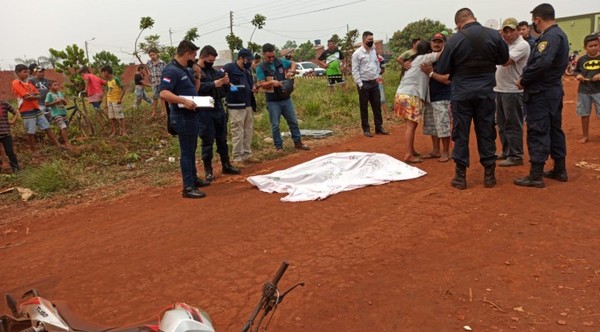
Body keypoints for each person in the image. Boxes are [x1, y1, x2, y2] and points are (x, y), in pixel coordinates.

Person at [436, 8, 509, 190]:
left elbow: (443, 68)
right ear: (474, 18)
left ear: (458, 23)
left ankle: (461, 177)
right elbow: (504, 59)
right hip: (485, 93)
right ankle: (489, 175)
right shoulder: (493, 35)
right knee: (486, 131)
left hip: (461, 94)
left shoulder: (453, 40)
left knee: (461, 134)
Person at [514, 3, 569, 188]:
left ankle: (535, 175)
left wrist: (524, 80)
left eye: (533, 21)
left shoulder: (550, 37)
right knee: (555, 129)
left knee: (538, 130)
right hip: (553, 90)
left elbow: (542, 63)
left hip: (541, 92)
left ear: (537, 19)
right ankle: (559, 169)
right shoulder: (560, 34)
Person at [159, 40, 210, 199]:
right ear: (187, 53)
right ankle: (187, 187)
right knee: (187, 152)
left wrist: (197, 76)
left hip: (192, 114)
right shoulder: (171, 70)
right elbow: (163, 93)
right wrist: (183, 101)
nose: (195, 58)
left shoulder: (185, 70)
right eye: (194, 54)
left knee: (191, 149)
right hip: (182, 116)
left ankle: (193, 179)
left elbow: (194, 91)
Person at [196, 45, 241, 182]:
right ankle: (208, 170)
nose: (212, 63)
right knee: (207, 141)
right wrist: (213, 84)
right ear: (202, 57)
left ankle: (226, 165)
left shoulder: (214, 71)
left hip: (218, 108)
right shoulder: (195, 72)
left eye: (214, 60)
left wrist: (226, 83)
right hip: (204, 110)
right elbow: (195, 89)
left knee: (222, 139)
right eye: (209, 60)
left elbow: (225, 90)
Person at [256, 43, 310, 151]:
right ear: (263, 55)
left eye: (273, 56)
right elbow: (261, 84)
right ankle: (279, 146)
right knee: (275, 125)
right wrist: (272, 83)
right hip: (272, 101)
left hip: (286, 98)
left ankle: (298, 142)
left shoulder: (280, 61)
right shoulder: (260, 68)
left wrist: (291, 71)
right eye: (269, 57)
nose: (271, 59)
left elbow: (293, 63)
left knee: (293, 121)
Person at [394, 41, 440, 163]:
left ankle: (411, 150)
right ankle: (408, 154)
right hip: (411, 95)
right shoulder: (424, 58)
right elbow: (440, 54)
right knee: (411, 126)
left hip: (402, 94)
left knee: (409, 125)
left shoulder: (414, 60)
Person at [494, 18, 530, 167]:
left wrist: (492, 49)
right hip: (499, 89)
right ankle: (507, 151)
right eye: (505, 31)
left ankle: (516, 155)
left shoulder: (522, 45)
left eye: (511, 30)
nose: (508, 34)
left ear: (517, 30)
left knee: (513, 124)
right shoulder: (504, 45)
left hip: (513, 90)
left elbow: (505, 61)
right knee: (502, 124)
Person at [11, 64, 62, 151]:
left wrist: (31, 95)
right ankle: (34, 151)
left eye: (27, 72)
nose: (26, 74)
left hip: (36, 108)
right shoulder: (16, 83)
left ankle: (58, 145)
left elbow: (37, 94)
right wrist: (32, 95)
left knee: (46, 126)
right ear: (17, 73)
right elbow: (26, 97)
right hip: (26, 110)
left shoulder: (29, 83)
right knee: (31, 131)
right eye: (24, 72)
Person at [420, 33, 452, 163]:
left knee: (443, 125)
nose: (437, 44)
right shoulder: (428, 58)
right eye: (434, 41)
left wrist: (431, 73)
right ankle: (435, 150)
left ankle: (445, 152)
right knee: (432, 125)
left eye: (440, 41)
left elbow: (447, 80)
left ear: (444, 43)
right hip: (429, 97)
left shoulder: (447, 59)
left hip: (443, 97)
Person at [351, 31, 389, 137]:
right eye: (369, 40)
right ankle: (366, 129)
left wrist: (377, 75)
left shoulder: (373, 50)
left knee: (377, 106)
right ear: (364, 40)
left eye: (372, 39)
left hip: (374, 82)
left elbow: (376, 63)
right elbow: (355, 70)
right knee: (364, 107)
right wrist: (360, 84)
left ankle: (379, 127)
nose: (371, 42)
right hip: (364, 83)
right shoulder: (357, 54)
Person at [223, 48, 257, 164]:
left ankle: (247, 154)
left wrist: (253, 88)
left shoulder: (247, 71)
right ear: (241, 58)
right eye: (248, 60)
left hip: (248, 105)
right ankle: (237, 157)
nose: (249, 62)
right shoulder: (229, 68)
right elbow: (219, 76)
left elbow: (250, 85)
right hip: (236, 105)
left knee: (248, 130)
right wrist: (230, 86)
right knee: (238, 131)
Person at [574, 34, 600, 144]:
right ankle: (585, 136)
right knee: (584, 114)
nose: (593, 48)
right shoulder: (581, 60)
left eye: (596, 45)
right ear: (585, 47)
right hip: (584, 90)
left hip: (598, 90)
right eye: (590, 46)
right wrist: (578, 76)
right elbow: (576, 71)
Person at [100, 66, 127, 137]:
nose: (102, 75)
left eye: (102, 73)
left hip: (116, 101)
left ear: (106, 72)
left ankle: (124, 132)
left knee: (120, 116)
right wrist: (106, 102)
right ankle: (115, 131)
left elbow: (123, 89)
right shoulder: (108, 82)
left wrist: (120, 99)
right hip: (110, 101)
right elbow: (108, 92)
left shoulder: (116, 79)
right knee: (112, 117)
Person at [44, 81, 71, 147]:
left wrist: (64, 101)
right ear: (50, 87)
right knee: (63, 127)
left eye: (58, 85)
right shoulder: (49, 94)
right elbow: (46, 104)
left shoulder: (60, 93)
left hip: (63, 112)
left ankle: (63, 139)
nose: (57, 86)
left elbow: (65, 104)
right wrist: (56, 102)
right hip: (56, 113)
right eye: (55, 85)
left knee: (65, 127)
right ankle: (67, 143)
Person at [0, 100, 20, 172]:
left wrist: (12, 121)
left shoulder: (4, 103)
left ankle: (16, 168)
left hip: (5, 132)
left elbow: (15, 112)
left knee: (10, 151)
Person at [146, 48, 167, 117]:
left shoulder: (162, 62)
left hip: (161, 82)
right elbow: (149, 72)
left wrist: (166, 82)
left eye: (153, 54)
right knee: (155, 98)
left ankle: (163, 111)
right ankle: (154, 112)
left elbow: (166, 72)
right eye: (150, 55)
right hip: (154, 83)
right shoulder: (148, 63)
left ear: (156, 54)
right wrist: (150, 79)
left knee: (162, 97)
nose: (152, 56)